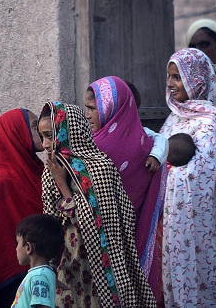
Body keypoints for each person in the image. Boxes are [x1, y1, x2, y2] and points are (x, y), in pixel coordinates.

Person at [37, 102, 157, 308]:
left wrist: (63, 184)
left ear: (68, 131)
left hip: (103, 262)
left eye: (50, 135)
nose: (46, 144)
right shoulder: (51, 170)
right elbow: (51, 219)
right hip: (69, 260)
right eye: (42, 137)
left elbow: (109, 218)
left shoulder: (100, 167)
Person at [85, 76, 168, 302]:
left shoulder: (92, 149)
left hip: (98, 245)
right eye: (86, 108)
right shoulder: (147, 146)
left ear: (111, 109)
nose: (87, 115)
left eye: (92, 109)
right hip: (132, 248)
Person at [160, 48, 216, 307]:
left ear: (195, 79)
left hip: (198, 217)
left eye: (177, 77)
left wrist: (165, 167)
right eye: (169, 76)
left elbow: (202, 172)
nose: (170, 83)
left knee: (202, 273)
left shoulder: (209, 120)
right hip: (170, 216)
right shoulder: (173, 117)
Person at [0, 109, 45, 308]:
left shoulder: (39, 169)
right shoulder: (5, 180)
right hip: (16, 271)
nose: (41, 130)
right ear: (17, 133)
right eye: (34, 126)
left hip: (43, 264)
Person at [10, 214, 64, 308]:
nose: (16, 248)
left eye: (17, 242)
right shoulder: (46, 273)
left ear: (28, 247)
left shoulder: (38, 276)